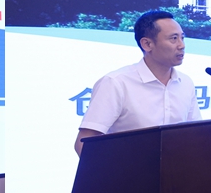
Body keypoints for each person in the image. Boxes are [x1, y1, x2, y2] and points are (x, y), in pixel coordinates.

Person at [74, 10, 200, 154]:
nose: (181, 45)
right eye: (174, 38)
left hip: (176, 167)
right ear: (147, 44)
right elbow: (83, 144)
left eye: (182, 38)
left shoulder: (185, 83)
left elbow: (195, 134)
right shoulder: (116, 83)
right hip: (127, 168)